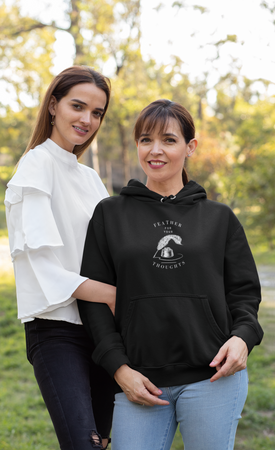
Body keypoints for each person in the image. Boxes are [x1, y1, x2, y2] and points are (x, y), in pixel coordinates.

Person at [77, 99, 264, 450]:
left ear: (190, 147)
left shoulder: (219, 218)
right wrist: (119, 369)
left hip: (213, 378)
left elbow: (244, 293)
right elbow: (94, 301)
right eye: (146, 140)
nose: (155, 150)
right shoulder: (109, 215)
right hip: (138, 379)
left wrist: (243, 337)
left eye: (169, 140)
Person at [4, 66, 116, 450]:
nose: (87, 120)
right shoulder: (36, 166)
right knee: (84, 444)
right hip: (57, 330)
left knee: (102, 442)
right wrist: (117, 296)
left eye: (97, 112)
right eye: (78, 106)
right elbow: (45, 269)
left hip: (102, 329)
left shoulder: (90, 179)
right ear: (53, 105)